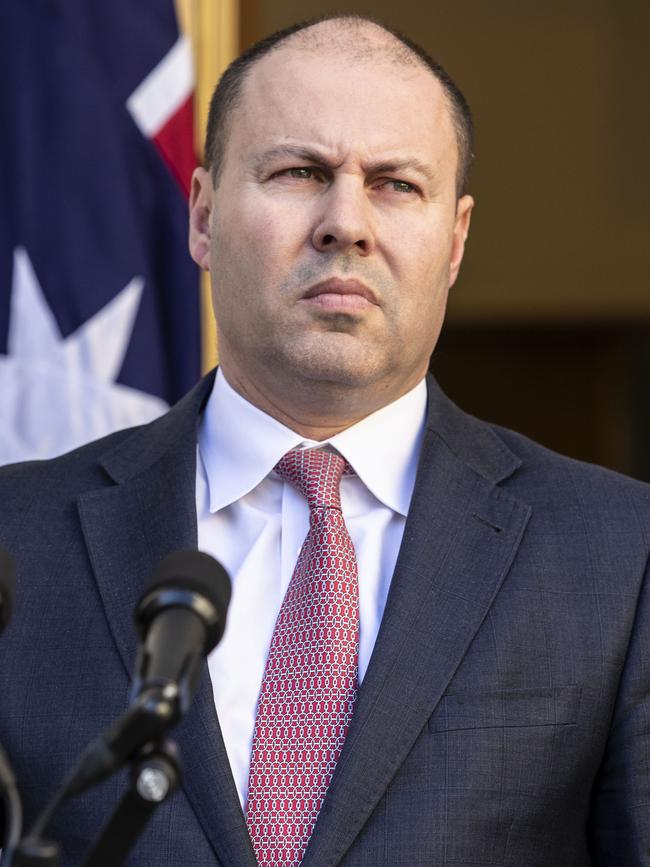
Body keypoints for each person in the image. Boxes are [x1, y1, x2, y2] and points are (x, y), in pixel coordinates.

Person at [1, 13, 649, 867]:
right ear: (201, 216)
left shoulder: (620, 550)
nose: (346, 221)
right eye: (301, 172)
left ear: (454, 242)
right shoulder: (18, 535)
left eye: (395, 185)